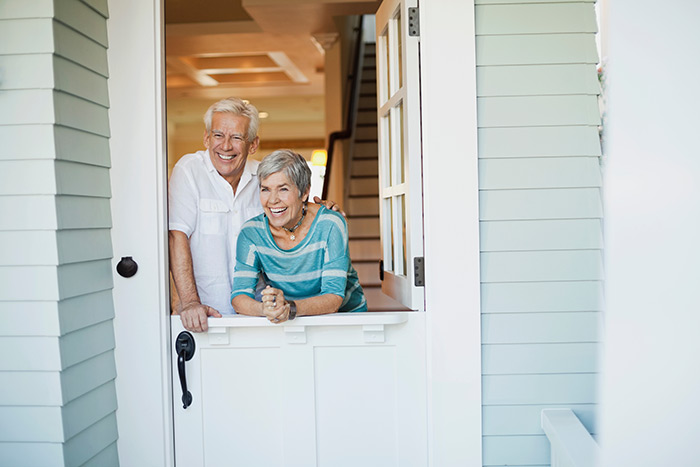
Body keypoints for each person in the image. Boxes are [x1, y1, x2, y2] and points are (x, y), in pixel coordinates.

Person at [169, 98, 338, 332]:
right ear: (207, 138)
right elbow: (177, 237)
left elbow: (291, 216)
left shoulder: (264, 178)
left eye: (237, 137)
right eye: (218, 135)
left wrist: (321, 211)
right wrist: (188, 302)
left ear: (253, 144)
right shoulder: (188, 171)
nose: (226, 146)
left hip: (260, 314)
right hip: (205, 313)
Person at [231, 150, 367, 323]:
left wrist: (290, 308)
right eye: (266, 189)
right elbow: (239, 297)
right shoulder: (251, 233)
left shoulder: (330, 224)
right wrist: (265, 309)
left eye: (283, 189)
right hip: (290, 319)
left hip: (344, 318)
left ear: (304, 193)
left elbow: (333, 298)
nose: (272, 200)